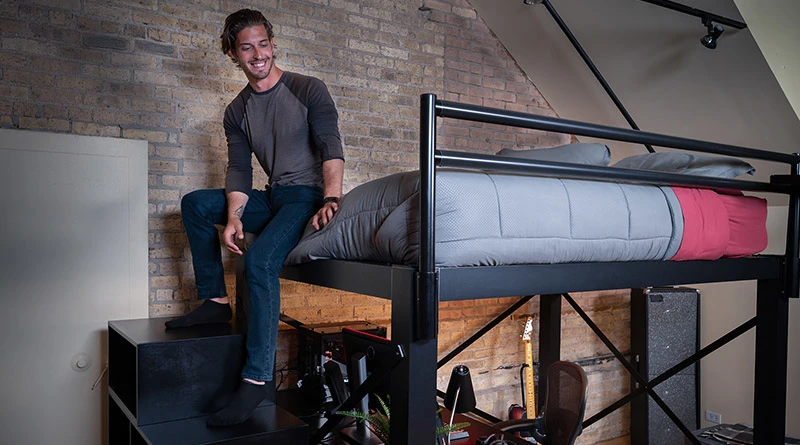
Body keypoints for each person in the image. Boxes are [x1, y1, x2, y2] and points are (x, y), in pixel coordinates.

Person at [164, 8, 345, 427]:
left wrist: (331, 199)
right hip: (273, 195)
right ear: (232, 53)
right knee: (194, 203)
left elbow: (331, 147)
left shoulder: (308, 89)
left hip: (306, 196)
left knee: (259, 260)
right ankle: (214, 300)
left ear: (273, 44)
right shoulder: (237, 111)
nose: (258, 54)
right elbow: (240, 172)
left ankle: (257, 377)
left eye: (263, 44)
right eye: (247, 47)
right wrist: (233, 218)